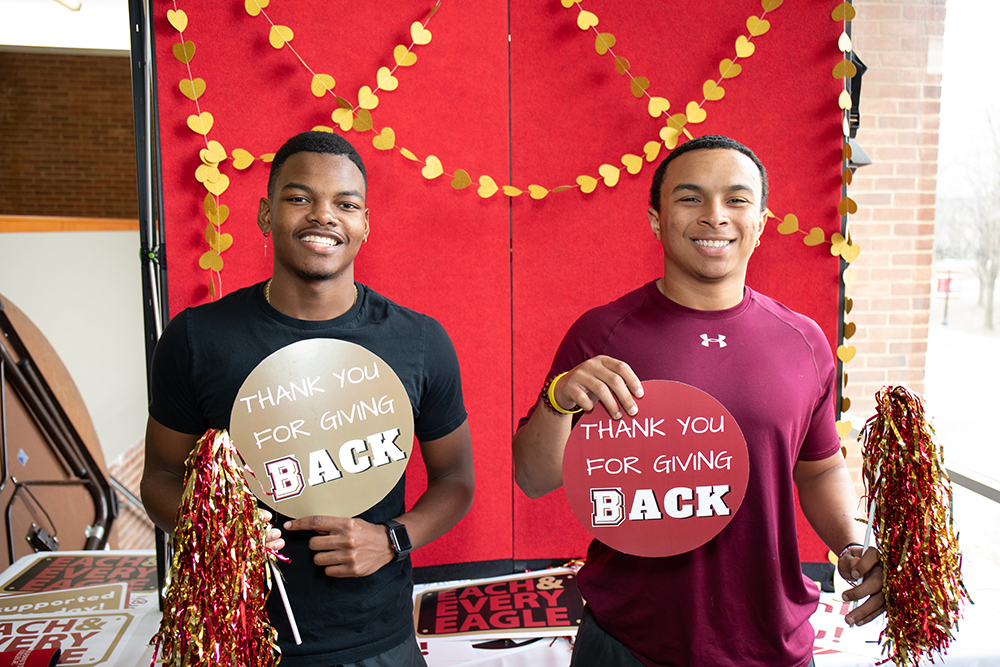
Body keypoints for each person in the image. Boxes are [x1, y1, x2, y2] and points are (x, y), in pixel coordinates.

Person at [512, 134, 884, 667]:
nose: (715, 216)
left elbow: (820, 471)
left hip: (772, 643)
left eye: (736, 199)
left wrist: (851, 543)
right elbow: (532, 476)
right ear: (656, 220)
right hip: (629, 645)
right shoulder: (603, 333)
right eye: (690, 198)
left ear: (760, 220)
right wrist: (559, 399)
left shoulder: (803, 340)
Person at [141, 130, 475, 666]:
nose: (323, 216)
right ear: (264, 214)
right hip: (237, 642)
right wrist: (218, 537)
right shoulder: (197, 339)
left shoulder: (418, 341)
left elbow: (457, 480)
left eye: (345, 204)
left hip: (376, 641)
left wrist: (391, 540)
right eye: (299, 198)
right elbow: (159, 475)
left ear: (365, 224)